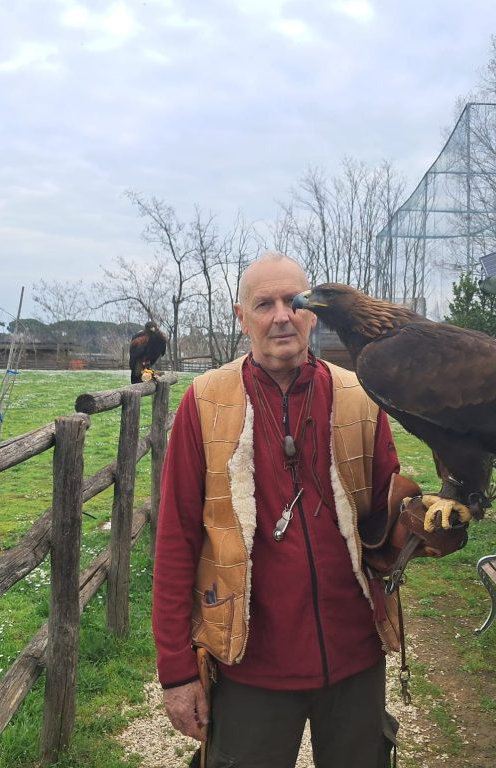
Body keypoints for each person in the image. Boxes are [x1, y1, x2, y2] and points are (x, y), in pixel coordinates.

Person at [152, 251, 406, 767]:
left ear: (313, 312)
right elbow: (176, 538)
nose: (282, 315)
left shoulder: (360, 395)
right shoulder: (205, 401)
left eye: (293, 301)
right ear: (240, 317)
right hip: (251, 662)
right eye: (264, 304)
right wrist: (176, 670)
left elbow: (386, 518)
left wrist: (428, 523)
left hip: (354, 654)